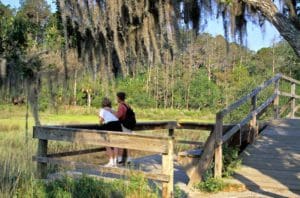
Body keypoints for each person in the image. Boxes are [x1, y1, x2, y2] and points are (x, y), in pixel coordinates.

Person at [98, 97, 122, 167]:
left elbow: (101, 120)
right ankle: (115, 162)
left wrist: (99, 125)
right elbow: (118, 117)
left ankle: (111, 161)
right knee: (115, 144)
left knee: (107, 144)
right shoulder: (112, 110)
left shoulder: (102, 110)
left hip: (110, 125)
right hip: (117, 125)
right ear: (109, 104)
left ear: (102, 104)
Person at [115, 92, 132, 164]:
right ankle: (129, 159)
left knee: (120, 142)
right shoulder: (127, 105)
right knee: (128, 142)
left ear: (119, 98)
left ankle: (119, 159)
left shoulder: (121, 106)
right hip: (129, 126)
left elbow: (118, 116)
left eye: (116, 97)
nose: (116, 99)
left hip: (123, 126)